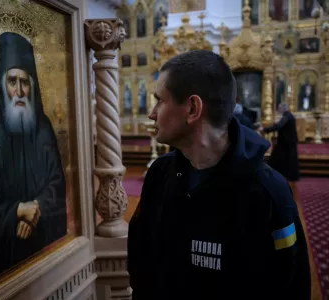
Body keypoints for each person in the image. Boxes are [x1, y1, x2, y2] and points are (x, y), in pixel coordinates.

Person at [127, 50, 310, 300]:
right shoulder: (159, 173)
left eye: (159, 100)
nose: (152, 113)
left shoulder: (268, 192)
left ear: (192, 108)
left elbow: (290, 285)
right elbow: (141, 258)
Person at [0, 32, 67, 281]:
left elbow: (57, 184)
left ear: (32, 85)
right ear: (3, 86)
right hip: (7, 256)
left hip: (46, 250)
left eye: (25, 82)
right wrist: (16, 211)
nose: (19, 90)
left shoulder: (43, 126)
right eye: (12, 81)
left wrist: (35, 211)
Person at [260, 103, 300, 182]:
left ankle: (272, 174)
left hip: (286, 142)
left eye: (280, 108)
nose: (279, 110)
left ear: (284, 109)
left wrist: (265, 129)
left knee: (277, 159)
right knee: (282, 158)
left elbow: (279, 126)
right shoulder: (288, 115)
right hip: (287, 142)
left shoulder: (287, 116)